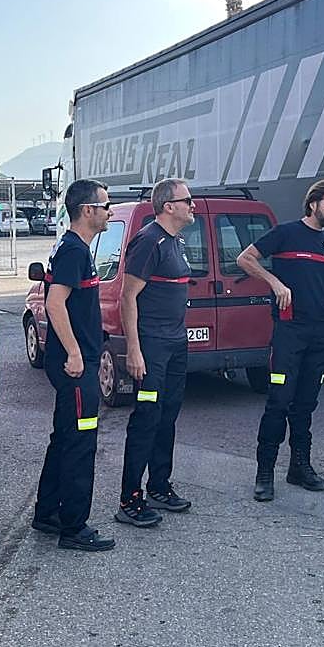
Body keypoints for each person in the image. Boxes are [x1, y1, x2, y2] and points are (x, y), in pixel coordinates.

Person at [237, 178, 324, 502]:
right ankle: (264, 474)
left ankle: (300, 467)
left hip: (321, 332)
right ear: (313, 204)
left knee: (305, 404)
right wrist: (274, 282)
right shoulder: (286, 233)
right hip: (290, 331)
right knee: (279, 402)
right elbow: (245, 259)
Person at [32, 179, 116, 551]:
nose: (109, 211)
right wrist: (75, 353)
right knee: (81, 441)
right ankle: (74, 528)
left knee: (64, 437)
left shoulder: (74, 247)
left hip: (74, 362)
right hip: (76, 366)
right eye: (105, 205)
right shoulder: (72, 251)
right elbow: (54, 304)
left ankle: (47, 512)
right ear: (88, 210)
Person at [115, 178, 196, 527]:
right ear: (169, 206)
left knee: (168, 415)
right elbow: (127, 297)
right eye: (187, 200)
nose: (193, 205)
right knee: (147, 418)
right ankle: (130, 500)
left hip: (176, 343)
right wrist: (134, 348)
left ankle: (159, 486)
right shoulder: (149, 241)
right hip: (152, 345)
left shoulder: (176, 240)